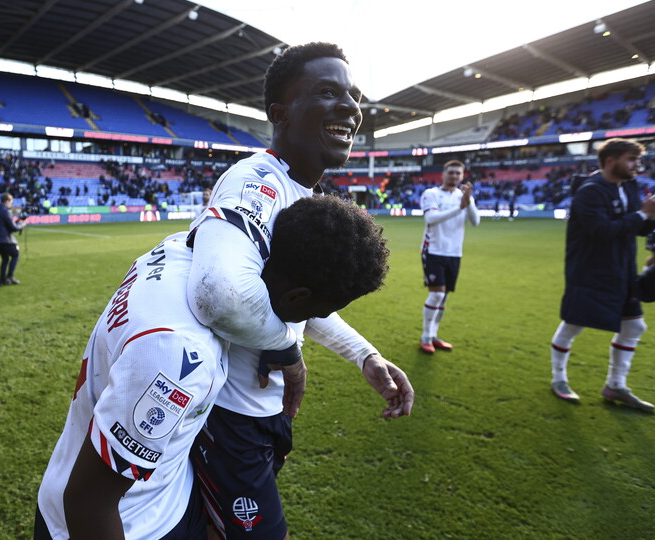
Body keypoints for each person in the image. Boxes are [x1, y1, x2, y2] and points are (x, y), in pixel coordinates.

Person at [35, 196, 394, 540]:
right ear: (296, 297)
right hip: (131, 526)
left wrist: (362, 353)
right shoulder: (181, 356)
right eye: (316, 313)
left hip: (169, 497)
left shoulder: (183, 249)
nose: (312, 322)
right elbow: (88, 502)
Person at [185, 42, 414, 540]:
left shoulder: (298, 192)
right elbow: (219, 293)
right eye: (328, 92)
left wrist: (365, 355)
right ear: (280, 112)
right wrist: (289, 353)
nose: (351, 108)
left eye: (353, 95)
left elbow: (301, 301)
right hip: (230, 416)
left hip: (261, 412)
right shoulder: (256, 184)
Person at [549, 138, 655, 411]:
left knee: (634, 326)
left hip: (621, 270)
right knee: (574, 324)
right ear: (611, 161)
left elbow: (638, 228)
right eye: (632, 160)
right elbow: (602, 232)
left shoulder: (629, 187)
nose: (637, 166)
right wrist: (644, 212)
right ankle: (558, 379)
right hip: (590, 271)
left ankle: (615, 385)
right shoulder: (590, 191)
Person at [418, 159, 480, 354]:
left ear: (462, 176)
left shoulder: (465, 197)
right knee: (436, 293)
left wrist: (467, 203)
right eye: (451, 172)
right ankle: (426, 337)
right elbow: (431, 219)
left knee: (443, 297)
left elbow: (475, 221)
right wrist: (459, 207)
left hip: (454, 252)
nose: (454, 176)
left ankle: (434, 335)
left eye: (458, 173)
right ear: (443, 174)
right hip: (433, 250)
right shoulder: (431, 194)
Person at [0, 192, 23, 286]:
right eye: (11, 201)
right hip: (3, 238)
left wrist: (17, 222)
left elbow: (5, 224)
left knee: (5, 258)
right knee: (15, 255)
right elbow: (13, 228)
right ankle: (10, 277)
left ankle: (1, 281)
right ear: (7, 201)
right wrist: (22, 224)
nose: (11, 204)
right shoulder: (5, 211)